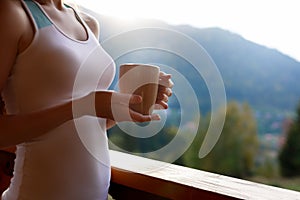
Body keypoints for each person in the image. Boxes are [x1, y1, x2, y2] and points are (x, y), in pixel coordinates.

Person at [0, 0, 173, 199]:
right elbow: (82, 108)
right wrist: (85, 105)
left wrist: (127, 104)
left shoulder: (87, 22)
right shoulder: (12, 12)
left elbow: (84, 123)